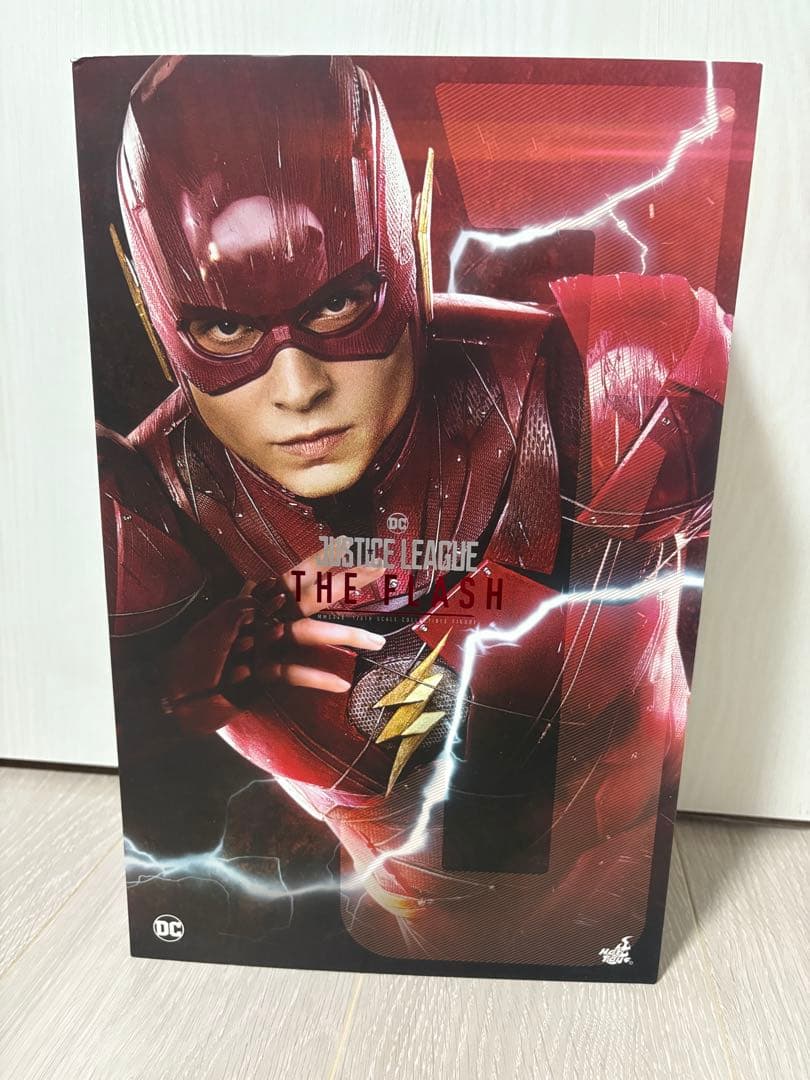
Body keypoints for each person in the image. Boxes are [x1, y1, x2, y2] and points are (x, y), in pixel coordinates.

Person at [99, 54, 729, 965]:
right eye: (226, 328)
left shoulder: (614, 382)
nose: (299, 390)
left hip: (652, 891)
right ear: (155, 308)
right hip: (401, 930)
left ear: (410, 241)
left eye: (339, 303)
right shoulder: (141, 514)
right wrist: (178, 678)